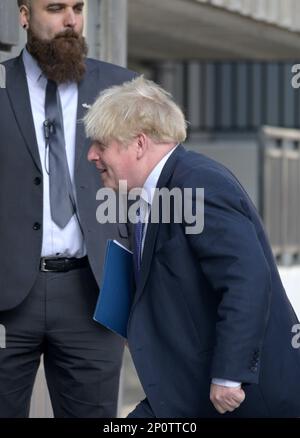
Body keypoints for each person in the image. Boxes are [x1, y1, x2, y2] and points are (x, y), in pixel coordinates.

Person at [85, 76, 300, 418]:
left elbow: (247, 279)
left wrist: (230, 375)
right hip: (184, 388)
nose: (91, 155)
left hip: (240, 400)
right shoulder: (147, 195)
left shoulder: (198, 183)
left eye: (101, 144)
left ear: (139, 144)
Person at [0, 0, 135, 418]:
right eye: (55, 8)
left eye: (78, 7)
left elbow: (146, 192)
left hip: (92, 296)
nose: (71, 20)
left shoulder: (123, 88)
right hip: (6, 296)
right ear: (24, 15)